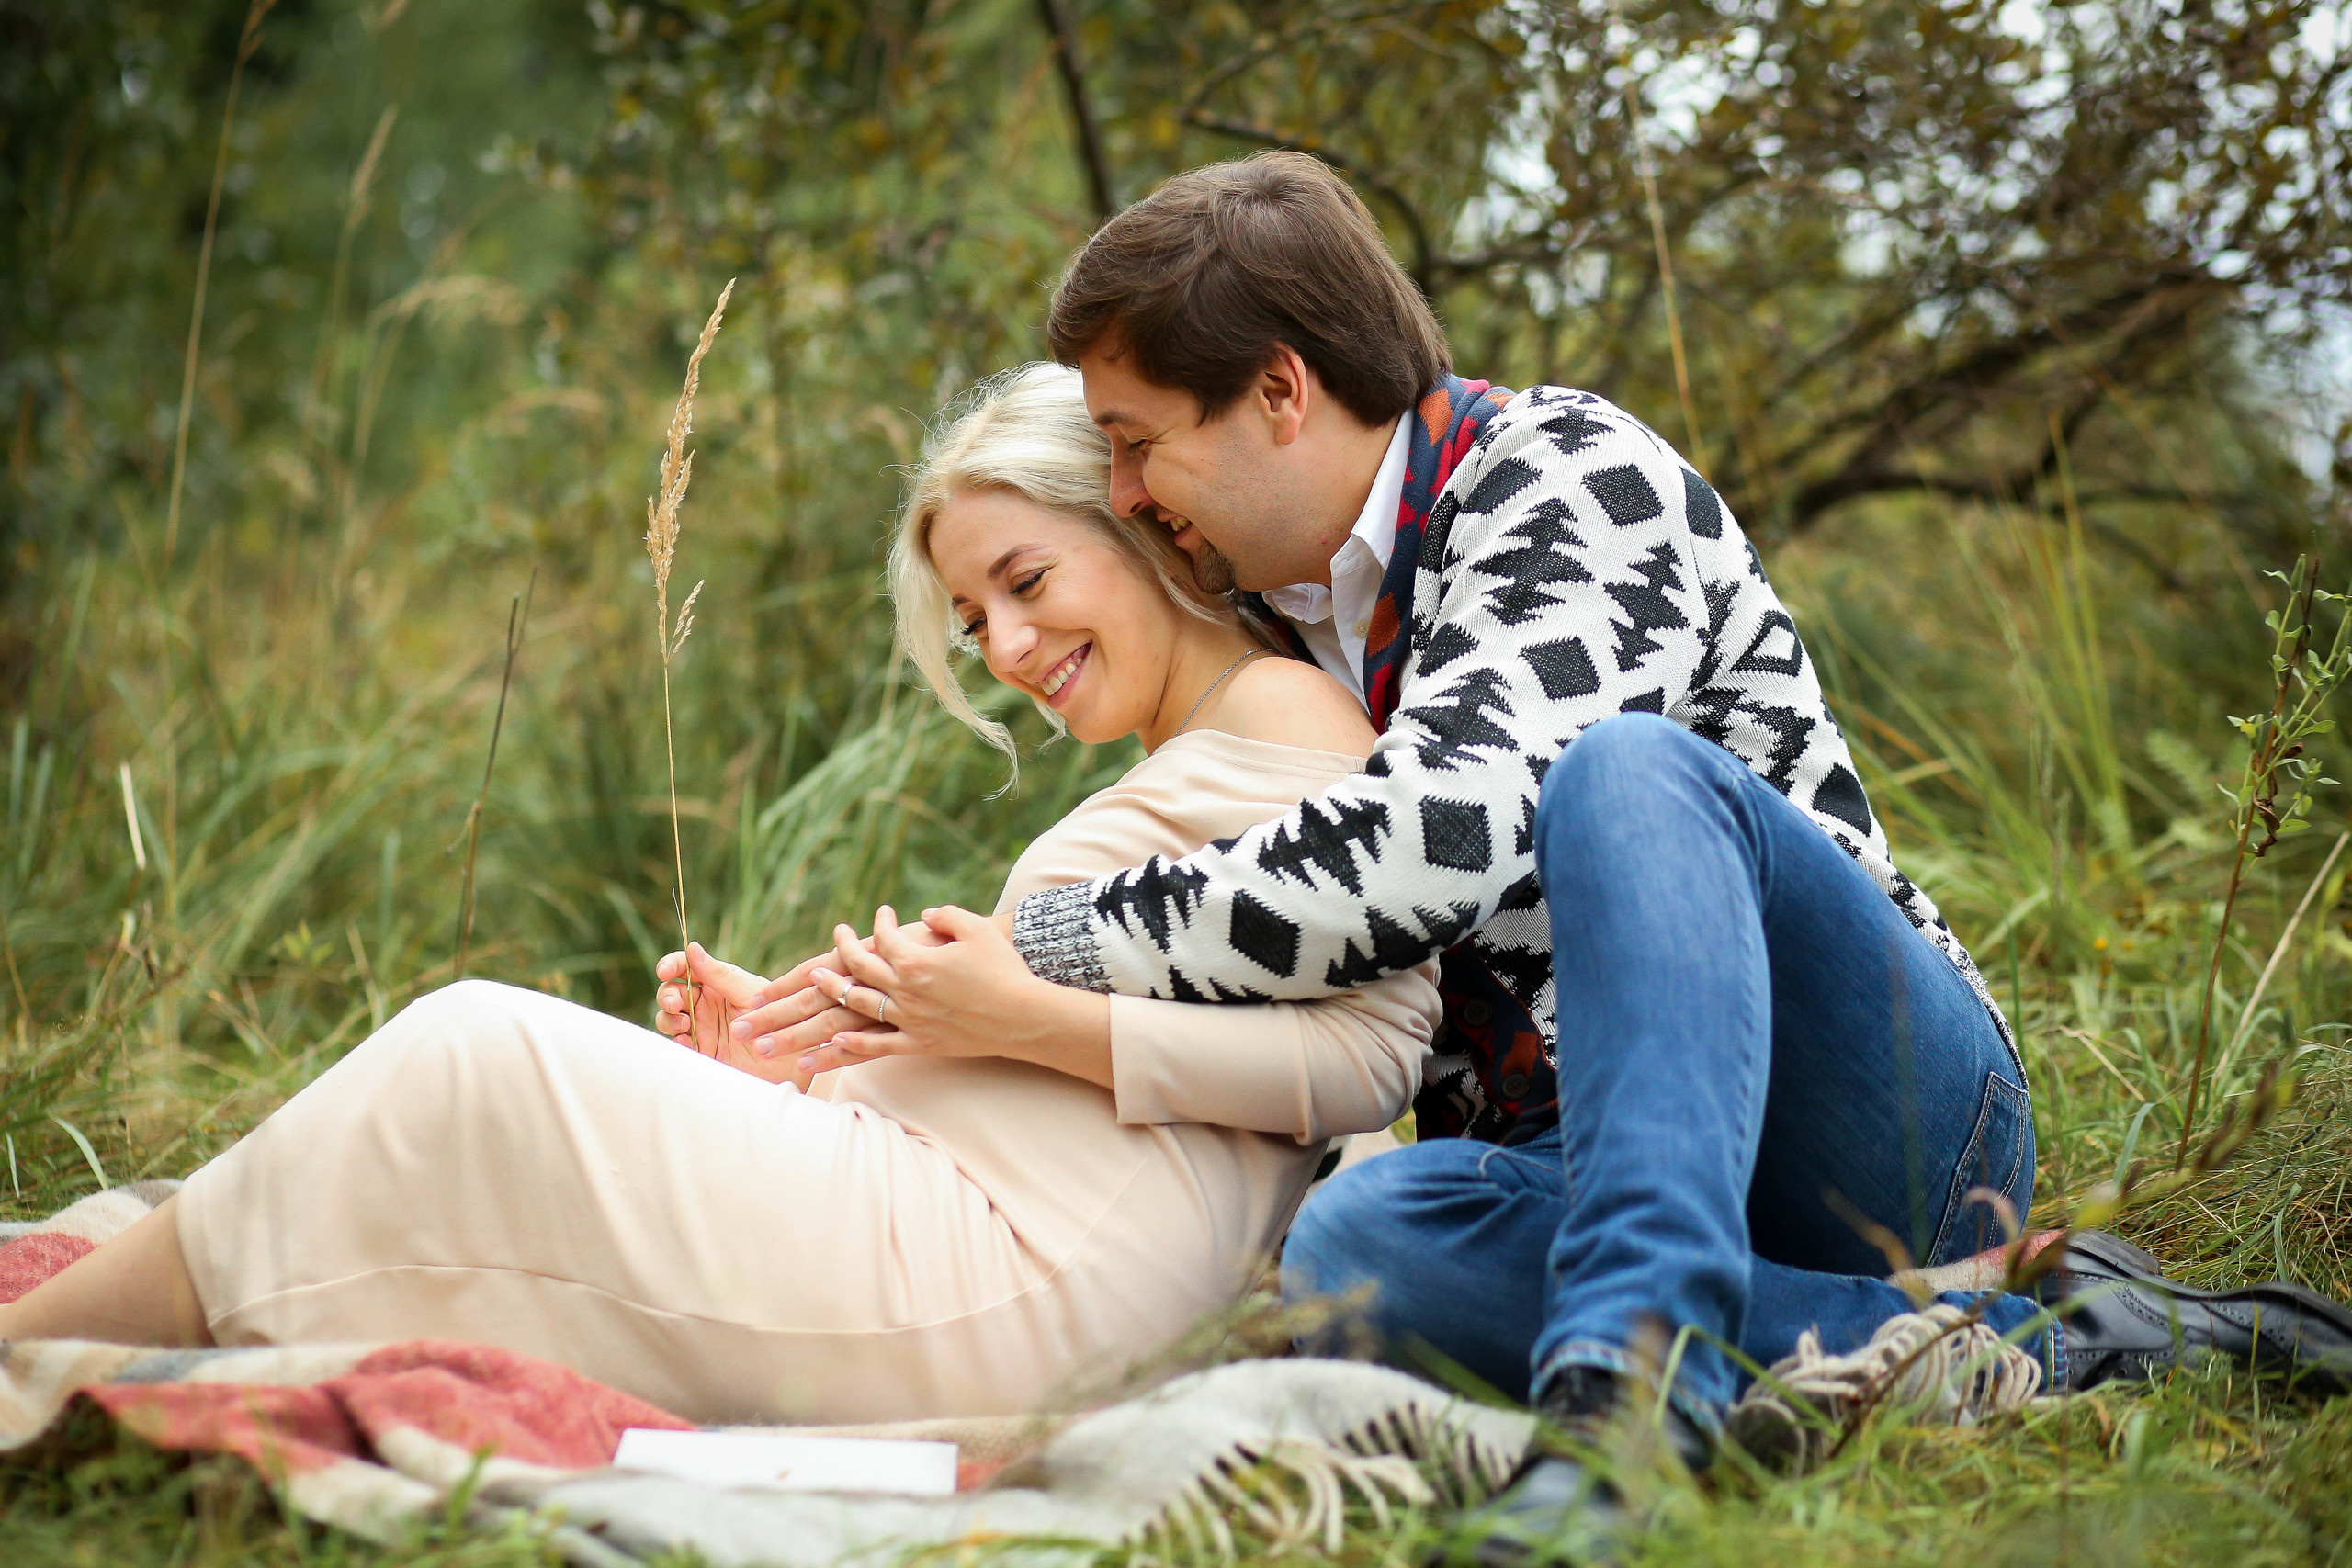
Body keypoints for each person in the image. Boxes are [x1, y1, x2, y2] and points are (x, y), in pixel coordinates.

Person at [731, 152, 2352, 1551]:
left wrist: (1053, 941)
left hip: (1869, 1110)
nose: (1129, 491)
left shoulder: (1563, 477)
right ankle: (2038, 1333)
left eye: (1140, 441)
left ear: (1281, 390)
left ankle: (1629, 1398)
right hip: (1587, 1167)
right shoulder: (1278, 639)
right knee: (1359, 1245)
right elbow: (1304, 1005)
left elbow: (1430, 847)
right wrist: (882, 1040)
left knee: (1624, 779)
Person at [0, 363, 1439, 1427]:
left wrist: (1007, 1019)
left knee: (474, 1056)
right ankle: (110, 1317)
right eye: (972, 620)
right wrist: (809, 1064)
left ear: (1136, 525)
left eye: (1024, 580)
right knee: (473, 1110)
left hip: (1036, 1286)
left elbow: (1364, 1065)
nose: (1005, 646)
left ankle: (33, 1349)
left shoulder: (1288, 721)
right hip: (988, 1232)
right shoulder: (1204, 745)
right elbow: (1099, 1042)